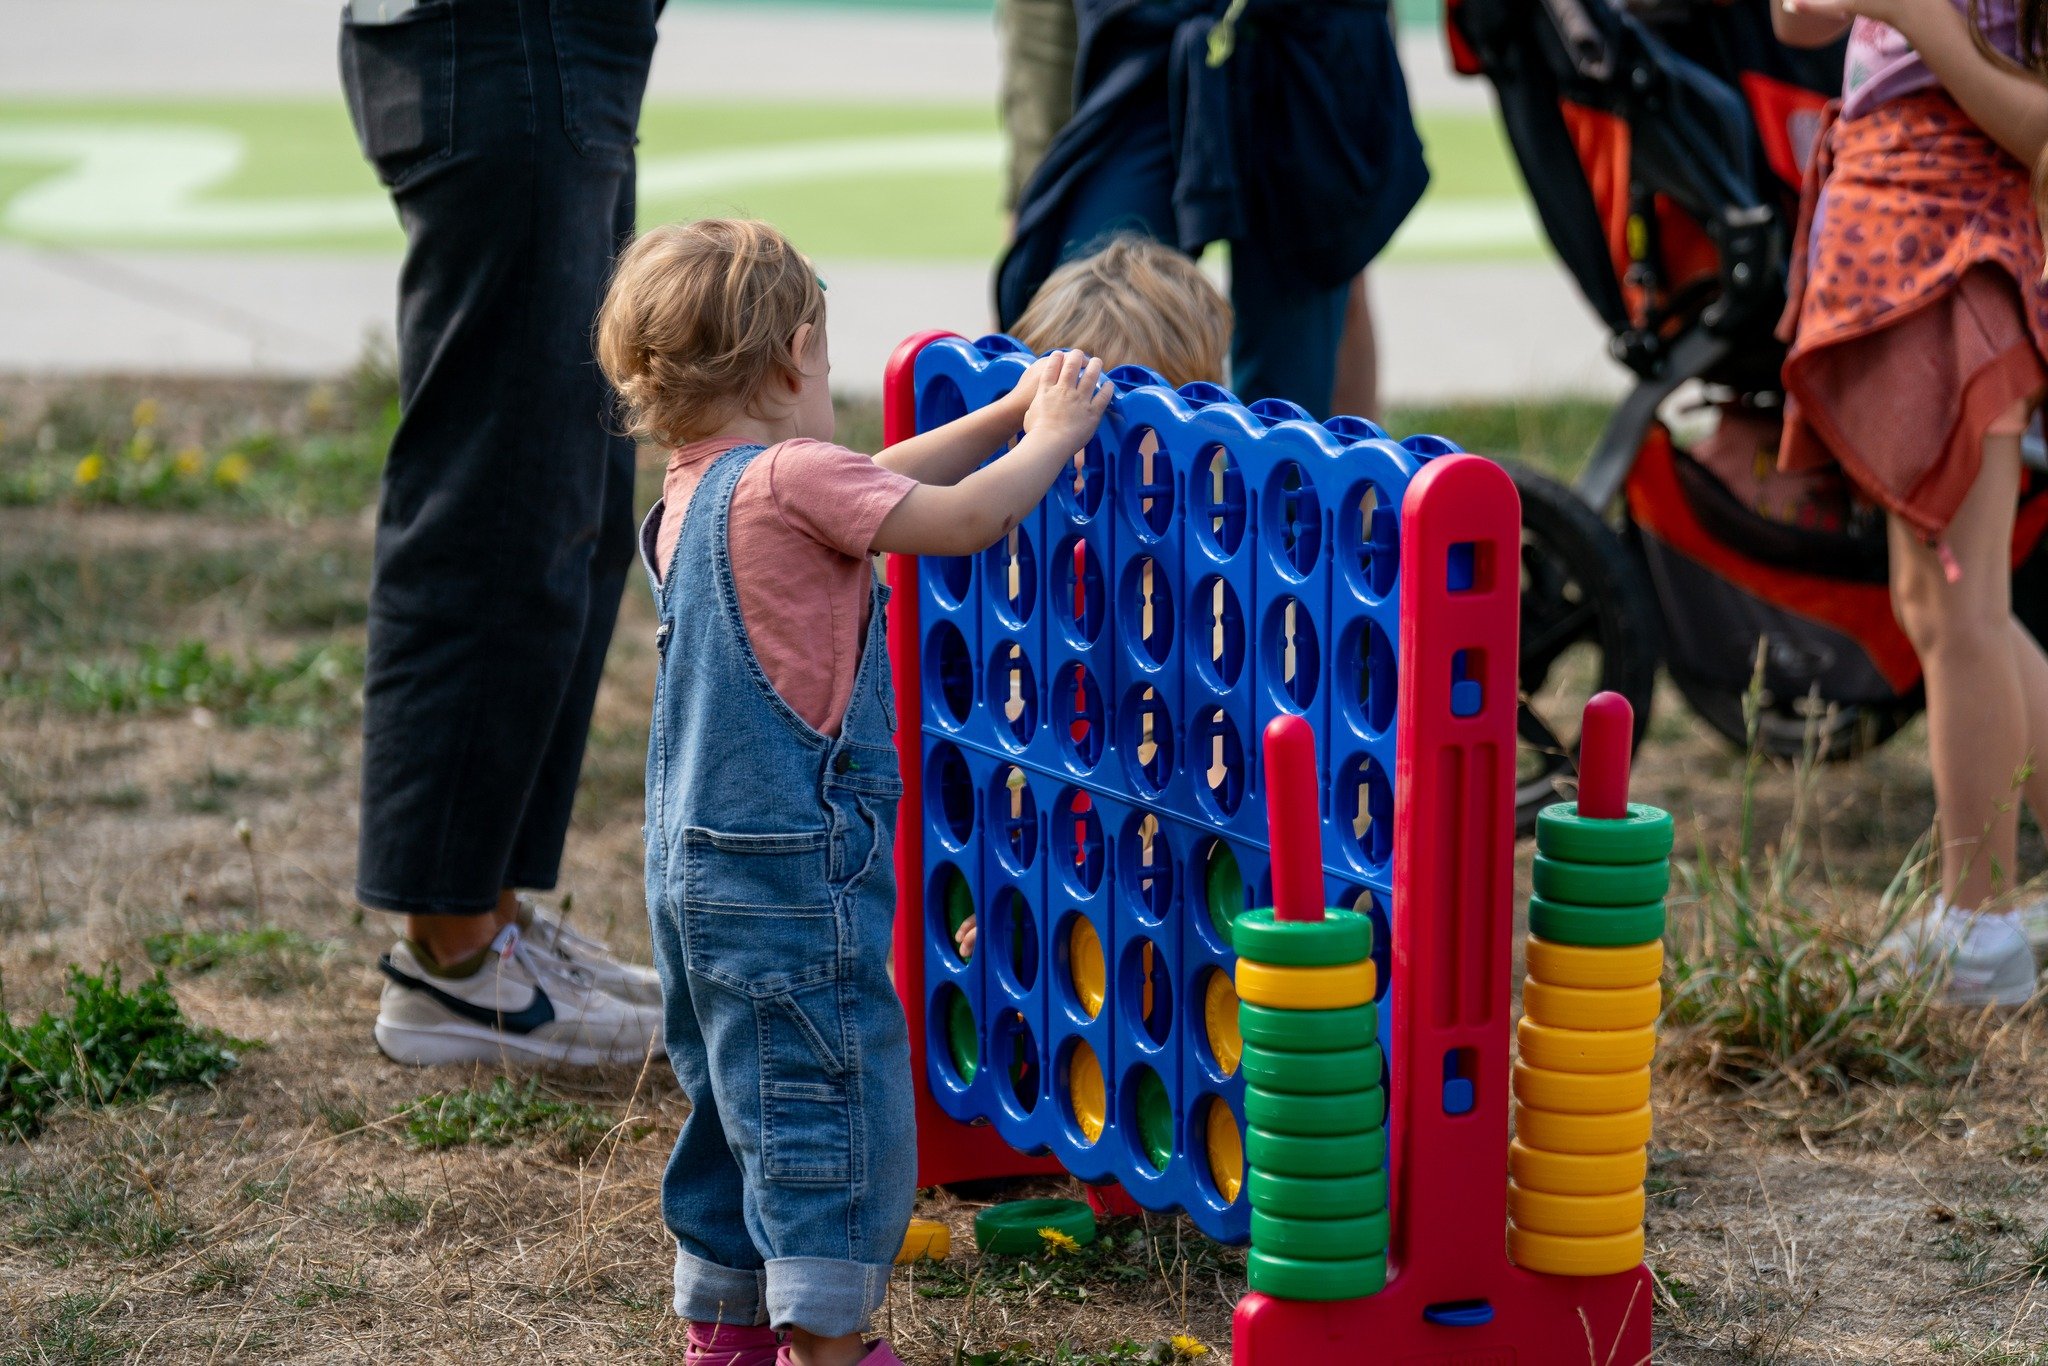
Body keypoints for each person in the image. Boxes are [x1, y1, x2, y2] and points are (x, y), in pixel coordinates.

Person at [596, 218, 1113, 1366]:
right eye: (825, 361)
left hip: (693, 880)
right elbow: (964, 519)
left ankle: (724, 1331)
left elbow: (876, 480)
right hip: (789, 881)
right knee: (829, 1112)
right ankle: (831, 1346)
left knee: (740, 1112)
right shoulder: (791, 479)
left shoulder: (701, 489)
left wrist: (1001, 413)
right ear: (788, 359)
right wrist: (1057, 435)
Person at [339, 0, 665, 1066]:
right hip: (511, 33)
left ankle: (489, 911)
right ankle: (454, 952)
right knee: (505, 493)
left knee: (570, 488)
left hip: (551, 42)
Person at [1773, 0, 2048, 1003]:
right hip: (1898, 234)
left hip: (1961, 249)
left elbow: (2036, 128)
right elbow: (1796, 21)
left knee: (1958, 608)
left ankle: (1978, 923)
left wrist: (1917, 16)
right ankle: (1986, 918)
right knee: (1941, 605)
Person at [996, 0, 1424, 417]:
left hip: (1308, 30)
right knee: (1089, 310)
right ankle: (1070, 477)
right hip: (1140, 27)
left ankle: (1297, 484)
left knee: (1299, 349)